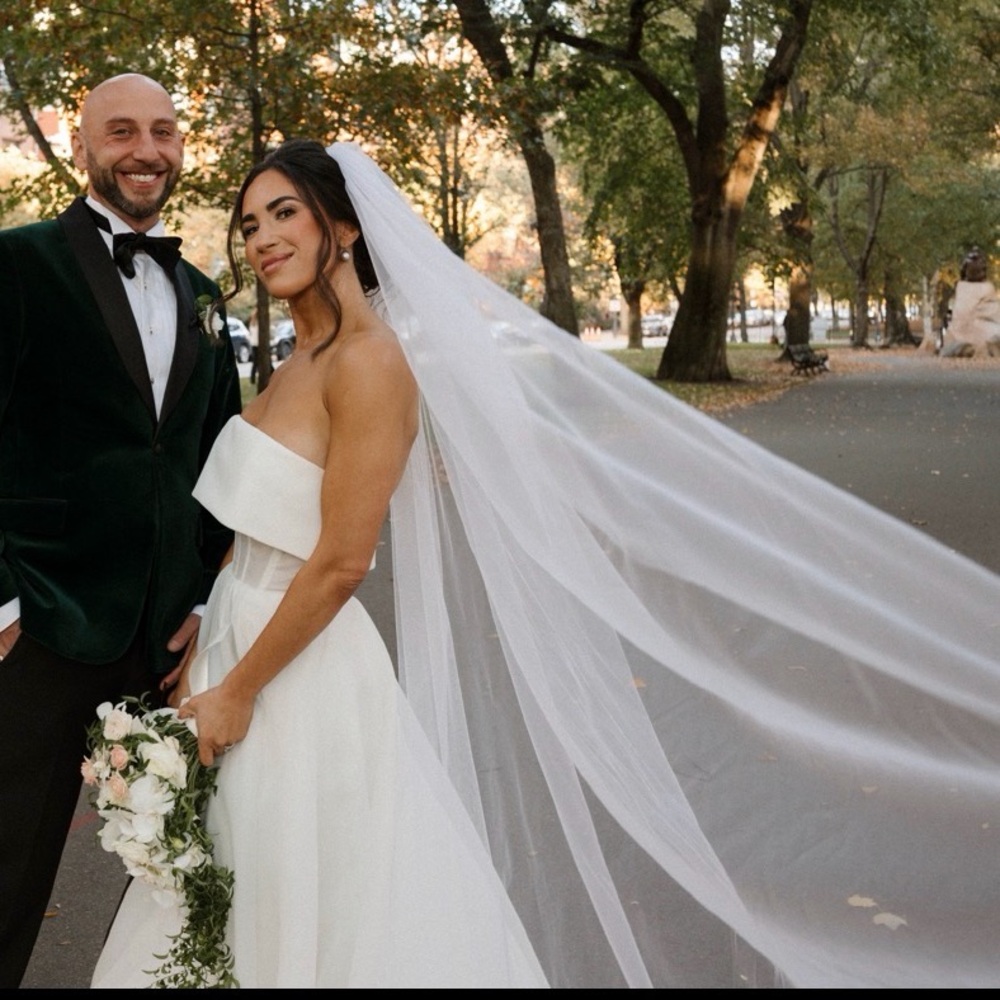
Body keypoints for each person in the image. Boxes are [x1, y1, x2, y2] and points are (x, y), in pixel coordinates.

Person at [95, 140, 1000, 989]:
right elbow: (271, 530)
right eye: (248, 223)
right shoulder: (297, 360)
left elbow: (340, 561)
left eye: (284, 213)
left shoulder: (371, 364)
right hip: (235, 645)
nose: (261, 239)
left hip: (288, 676)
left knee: (300, 893)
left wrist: (242, 688)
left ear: (344, 227)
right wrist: (214, 628)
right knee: (225, 891)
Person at [0, 74, 241, 986]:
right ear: (83, 148)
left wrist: (204, 596)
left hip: (163, 642)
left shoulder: (206, 294)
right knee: (9, 867)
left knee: (179, 872)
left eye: (165, 131)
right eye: (123, 131)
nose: (147, 149)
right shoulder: (15, 265)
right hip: (39, 630)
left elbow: (216, 467)